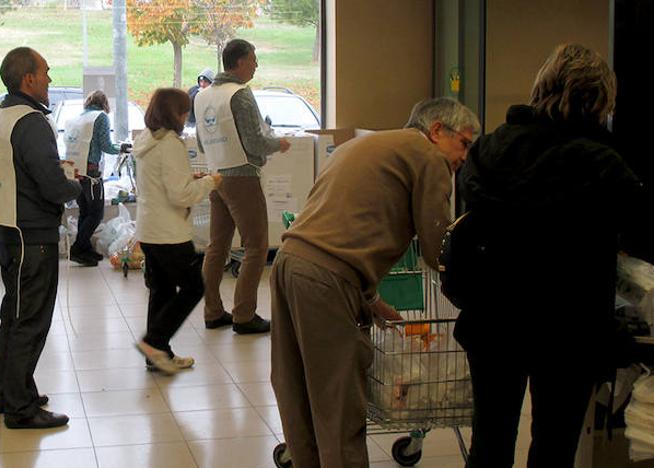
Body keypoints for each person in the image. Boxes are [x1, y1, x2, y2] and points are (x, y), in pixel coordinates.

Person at [454, 43, 643, 468]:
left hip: (492, 319)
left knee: (490, 441)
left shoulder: (489, 149)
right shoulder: (601, 162)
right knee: (554, 446)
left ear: (541, 86)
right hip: (567, 329)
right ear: (599, 100)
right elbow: (642, 232)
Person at [270, 97, 479, 468]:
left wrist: (371, 300)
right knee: (338, 407)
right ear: (436, 131)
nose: (464, 157)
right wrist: (478, 291)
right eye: (463, 143)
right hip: (326, 280)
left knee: (296, 392)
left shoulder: (365, 145)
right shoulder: (428, 157)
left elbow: (344, 226)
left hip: (289, 265)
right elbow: (437, 247)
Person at [0, 47, 81, 430]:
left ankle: (9, 392)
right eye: (46, 72)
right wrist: (76, 187)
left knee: (14, 313)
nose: (50, 80)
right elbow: (51, 185)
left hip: (6, 226)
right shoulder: (32, 122)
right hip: (32, 235)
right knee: (31, 320)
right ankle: (21, 407)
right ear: (29, 79)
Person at [195, 39, 290, 334]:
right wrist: (280, 144)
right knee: (256, 246)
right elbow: (255, 141)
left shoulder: (203, 96)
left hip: (216, 175)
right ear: (239, 62)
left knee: (216, 247)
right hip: (243, 177)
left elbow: (200, 141)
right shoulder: (241, 95)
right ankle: (244, 315)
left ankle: (212, 312)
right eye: (253, 60)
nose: (256, 65)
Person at [132, 88, 221, 374]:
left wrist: (189, 178)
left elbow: (163, 181)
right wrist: (210, 182)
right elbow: (180, 196)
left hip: (149, 229)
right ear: (174, 113)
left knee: (162, 290)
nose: (186, 117)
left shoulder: (147, 139)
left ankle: (159, 355)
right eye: (184, 111)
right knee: (194, 287)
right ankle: (155, 342)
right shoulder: (170, 144)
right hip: (170, 233)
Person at [64, 90, 121, 266]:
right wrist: (122, 148)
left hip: (75, 171)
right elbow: (106, 145)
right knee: (96, 213)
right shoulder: (101, 117)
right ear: (105, 104)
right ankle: (78, 248)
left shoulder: (77, 119)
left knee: (85, 211)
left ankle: (86, 249)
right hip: (91, 173)